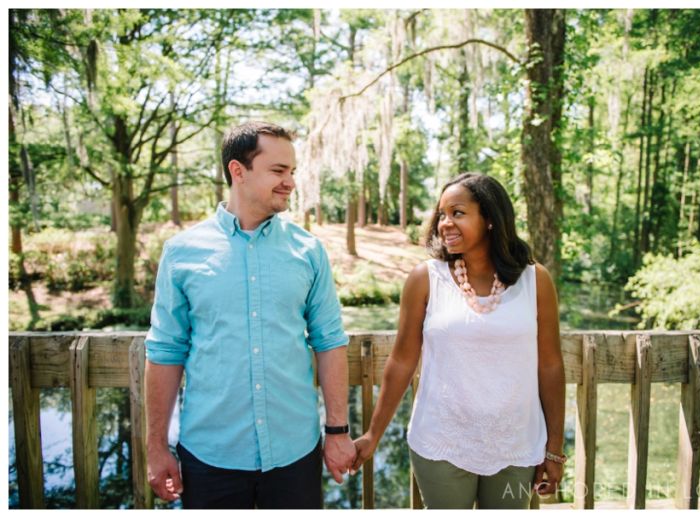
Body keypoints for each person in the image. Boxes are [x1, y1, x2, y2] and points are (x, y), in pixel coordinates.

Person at [144, 121, 356, 509]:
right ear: (237, 171)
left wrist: (338, 431)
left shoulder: (309, 252)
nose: (290, 182)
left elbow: (330, 342)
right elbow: (165, 352)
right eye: (278, 171)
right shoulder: (181, 252)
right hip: (210, 457)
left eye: (292, 171)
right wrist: (156, 446)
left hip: (296, 454)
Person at [352, 173, 566, 509]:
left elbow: (551, 365)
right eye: (441, 214)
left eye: (458, 213)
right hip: (442, 442)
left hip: (517, 444)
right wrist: (372, 434)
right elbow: (402, 361)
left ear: (491, 220)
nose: (444, 223)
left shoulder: (535, 281)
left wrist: (554, 447)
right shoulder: (426, 279)